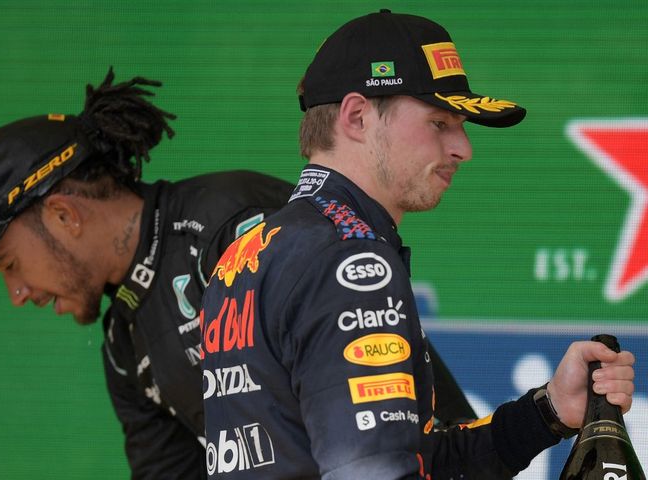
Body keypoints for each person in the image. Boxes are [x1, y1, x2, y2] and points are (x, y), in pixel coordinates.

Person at [0, 67, 474, 478]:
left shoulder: (232, 223)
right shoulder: (123, 343)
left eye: (8, 264)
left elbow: (371, 424)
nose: (17, 293)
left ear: (64, 215)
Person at [199, 10, 636, 479]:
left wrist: (548, 411)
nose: (463, 148)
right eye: (439, 122)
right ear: (357, 117)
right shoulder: (351, 260)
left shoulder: (250, 252)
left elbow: (417, 459)